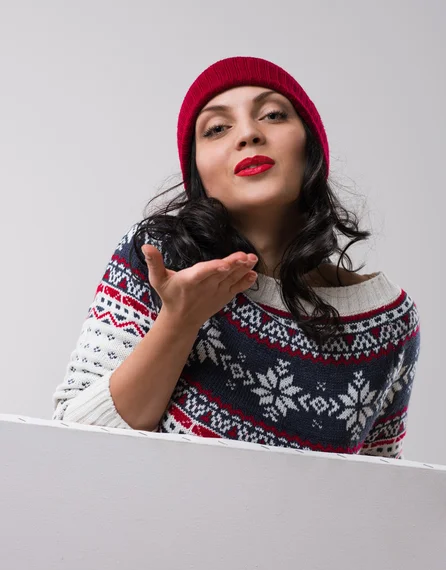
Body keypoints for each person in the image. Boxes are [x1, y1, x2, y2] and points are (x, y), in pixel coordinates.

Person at [52, 56, 421, 458]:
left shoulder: (390, 324)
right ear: (197, 170)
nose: (248, 133)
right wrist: (180, 321)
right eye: (217, 128)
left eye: (274, 115)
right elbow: (75, 444)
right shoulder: (160, 256)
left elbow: (382, 498)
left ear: (310, 148)